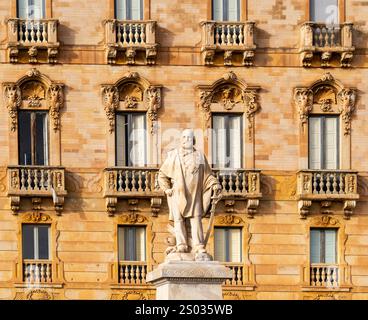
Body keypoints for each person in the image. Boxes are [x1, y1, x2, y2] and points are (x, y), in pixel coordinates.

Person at [158, 129, 221, 255]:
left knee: (196, 219)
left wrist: (215, 184)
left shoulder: (200, 156)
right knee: (178, 219)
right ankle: (181, 244)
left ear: (193, 140)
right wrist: (166, 189)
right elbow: (162, 174)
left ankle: (198, 245)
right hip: (177, 192)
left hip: (195, 193)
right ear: (181, 140)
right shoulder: (174, 155)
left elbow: (208, 175)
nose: (186, 140)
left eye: (189, 138)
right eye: (184, 137)